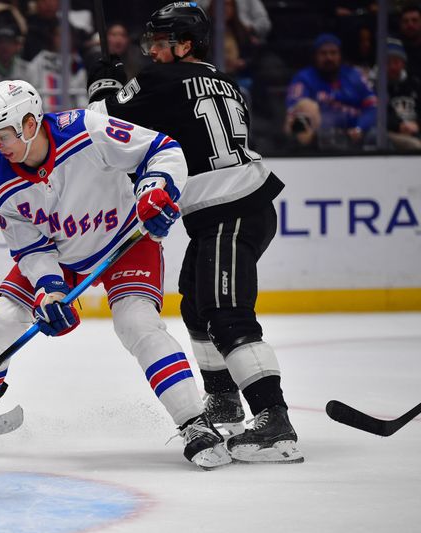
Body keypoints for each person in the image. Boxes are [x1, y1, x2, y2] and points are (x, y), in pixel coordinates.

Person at [0, 78, 233, 469]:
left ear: (28, 124)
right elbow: (31, 248)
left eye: (2, 135)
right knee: (1, 321)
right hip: (59, 255)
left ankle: (195, 421)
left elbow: (162, 149)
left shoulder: (87, 129)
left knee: (136, 324)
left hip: (126, 240)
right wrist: (50, 290)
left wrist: (156, 190)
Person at [86, 2, 303, 463]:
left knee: (226, 313)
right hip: (234, 208)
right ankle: (224, 399)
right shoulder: (226, 82)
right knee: (196, 303)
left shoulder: (160, 80)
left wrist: (103, 85)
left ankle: (274, 419)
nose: (154, 51)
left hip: (230, 209)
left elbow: (102, 128)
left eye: (162, 43)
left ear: (184, 44)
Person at [284, 33, 377, 150]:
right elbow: (295, 108)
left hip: (357, 135)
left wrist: (360, 127)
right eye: (323, 53)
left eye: (333, 53)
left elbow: (372, 107)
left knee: (376, 135)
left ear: (340, 55)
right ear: (315, 56)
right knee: (304, 108)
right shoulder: (304, 78)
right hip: (320, 137)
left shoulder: (355, 75)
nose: (329, 57)